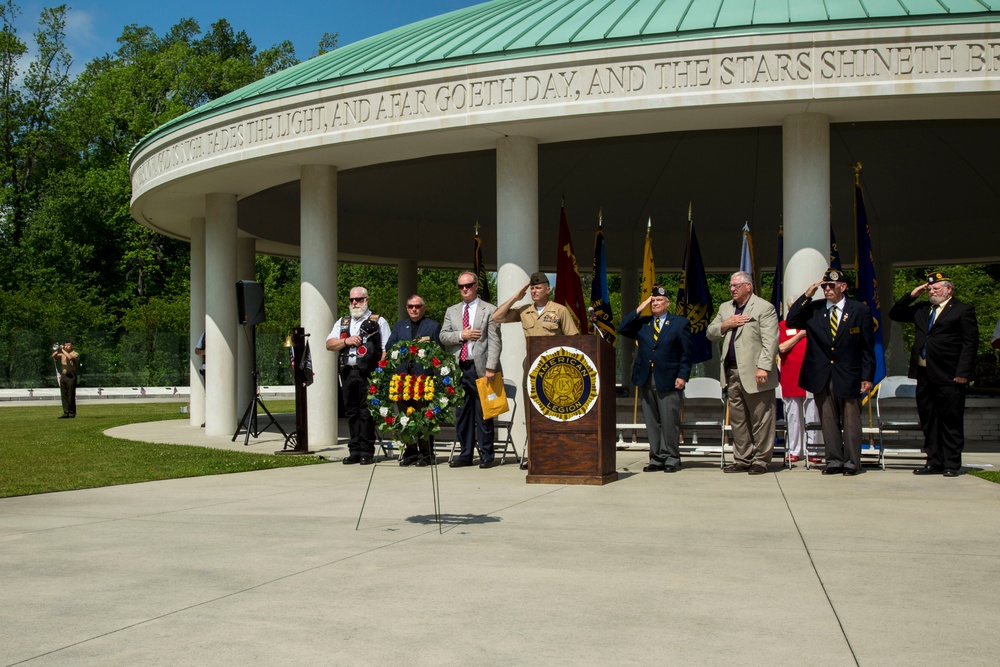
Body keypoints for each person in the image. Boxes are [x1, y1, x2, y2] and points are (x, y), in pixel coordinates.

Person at [888, 271, 979, 477]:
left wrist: (963, 372)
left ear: (949, 290)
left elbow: (970, 344)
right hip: (925, 373)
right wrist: (912, 295)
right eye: (929, 289)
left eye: (936, 288)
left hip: (950, 374)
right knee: (929, 419)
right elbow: (895, 314)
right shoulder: (922, 309)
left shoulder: (962, 310)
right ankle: (933, 460)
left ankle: (951, 464)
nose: (932, 292)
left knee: (950, 420)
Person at [786, 269, 875, 476]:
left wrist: (867, 376)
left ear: (842, 287)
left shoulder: (859, 310)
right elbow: (792, 320)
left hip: (850, 374)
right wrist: (807, 295)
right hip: (823, 374)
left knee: (851, 420)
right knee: (828, 420)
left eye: (831, 286)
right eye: (824, 286)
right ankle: (834, 460)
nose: (827, 289)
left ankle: (852, 462)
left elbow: (867, 347)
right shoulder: (815, 309)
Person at [707, 271, 779, 475]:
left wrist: (764, 366)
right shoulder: (725, 308)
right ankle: (742, 459)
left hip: (757, 373)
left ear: (749, 286)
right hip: (731, 372)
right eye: (731, 286)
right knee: (738, 420)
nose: (732, 289)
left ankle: (761, 460)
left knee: (761, 418)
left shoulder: (765, 308)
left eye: (736, 286)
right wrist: (725, 324)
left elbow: (770, 341)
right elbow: (710, 332)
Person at [618, 286, 692, 473]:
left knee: (669, 420)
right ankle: (656, 458)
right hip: (645, 377)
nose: (656, 304)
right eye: (653, 301)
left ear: (667, 303)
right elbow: (622, 327)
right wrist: (640, 308)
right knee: (652, 421)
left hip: (669, 378)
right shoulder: (643, 323)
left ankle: (671, 458)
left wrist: (683, 375)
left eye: (659, 301)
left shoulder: (679, 323)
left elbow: (686, 353)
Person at [440, 271, 502, 468]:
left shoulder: (489, 309)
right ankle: (465, 454)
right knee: (463, 413)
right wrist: (461, 334)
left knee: (484, 413)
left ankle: (486, 455)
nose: (464, 289)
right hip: (460, 368)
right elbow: (443, 336)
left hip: (482, 368)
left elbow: (495, 342)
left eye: (468, 285)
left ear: (476, 286)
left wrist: (491, 368)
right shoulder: (452, 310)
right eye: (461, 286)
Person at [326, 286, 391, 465]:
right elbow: (329, 344)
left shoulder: (378, 321)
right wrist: (346, 341)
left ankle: (366, 451)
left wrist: (379, 372)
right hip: (348, 372)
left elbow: (387, 349)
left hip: (368, 374)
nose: (355, 303)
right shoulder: (343, 322)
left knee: (366, 413)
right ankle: (354, 450)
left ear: (367, 300)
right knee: (351, 412)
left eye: (359, 299)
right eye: (352, 300)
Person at [385, 294, 442, 467]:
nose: (414, 309)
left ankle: (426, 454)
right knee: (405, 417)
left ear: (423, 308)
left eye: (417, 306)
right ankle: (410, 452)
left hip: (423, 379)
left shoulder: (432, 326)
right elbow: (389, 347)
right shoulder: (400, 326)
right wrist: (406, 349)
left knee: (424, 417)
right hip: (403, 380)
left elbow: (439, 351)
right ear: (406, 308)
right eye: (410, 306)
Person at [778, 303, 823, 464]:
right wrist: (799, 335)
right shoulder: (783, 326)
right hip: (791, 375)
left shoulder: (813, 324)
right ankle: (794, 449)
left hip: (811, 374)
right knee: (793, 414)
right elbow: (782, 347)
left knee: (813, 414)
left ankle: (814, 449)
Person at [492, 272, 580, 337]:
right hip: (532, 359)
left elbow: (572, 338)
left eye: (538, 288)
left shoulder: (560, 310)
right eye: (532, 288)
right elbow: (496, 317)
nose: (534, 291)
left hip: (553, 360)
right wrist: (515, 298)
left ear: (548, 290)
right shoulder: (524, 310)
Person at [51, 341, 80, 419]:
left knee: (71, 395)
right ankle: (66, 412)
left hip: (71, 376)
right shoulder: (63, 354)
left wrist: (63, 350)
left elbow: (70, 358)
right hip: (64, 375)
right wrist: (58, 349)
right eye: (65, 345)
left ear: (72, 346)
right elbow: (53, 356)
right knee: (64, 395)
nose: (66, 346)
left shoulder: (75, 354)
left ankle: (72, 413)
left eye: (68, 345)